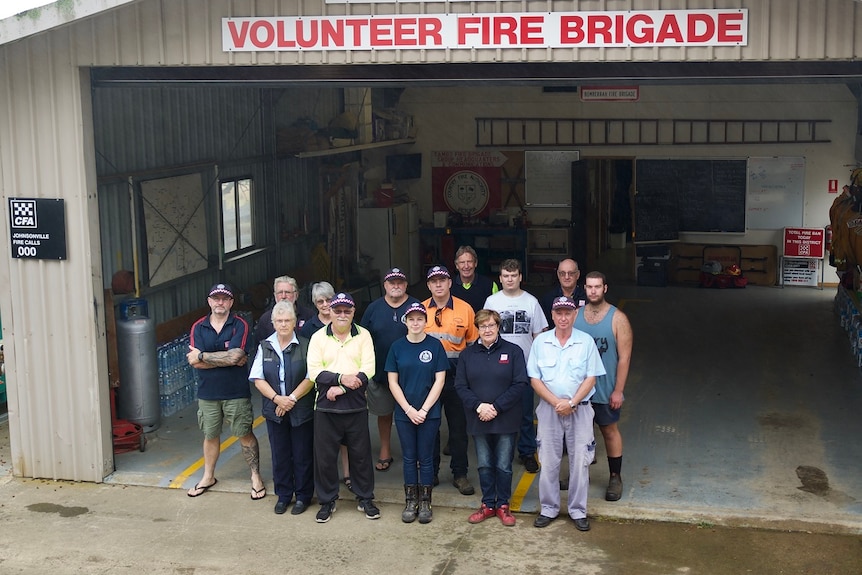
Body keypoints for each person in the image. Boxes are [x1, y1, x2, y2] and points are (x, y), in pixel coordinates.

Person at [527, 296, 605, 532]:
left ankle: (578, 510)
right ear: (552, 315)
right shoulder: (541, 343)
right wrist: (556, 403)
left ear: (574, 315)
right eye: (559, 313)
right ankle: (548, 508)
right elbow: (534, 378)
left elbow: (591, 377)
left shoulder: (586, 342)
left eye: (568, 313)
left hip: (579, 410)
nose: (563, 317)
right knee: (549, 461)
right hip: (549, 410)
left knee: (580, 462)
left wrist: (571, 402)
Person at [186, 283, 266, 501]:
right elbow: (197, 362)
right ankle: (208, 476)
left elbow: (236, 356)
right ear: (209, 301)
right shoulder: (198, 327)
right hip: (208, 393)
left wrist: (204, 356)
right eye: (216, 298)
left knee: (244, 433)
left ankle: (255, 476)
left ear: (231, 302)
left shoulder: (240, 324)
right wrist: (226, 358)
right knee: (210, 435)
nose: (220, 302)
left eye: (225, 299)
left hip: (236, 393)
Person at [307, 292, 380, 523]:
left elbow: (368, 369)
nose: (341, 315)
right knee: (325, 458)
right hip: (326, 408)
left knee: (361, 456)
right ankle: (327, 501)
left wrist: (341, 388)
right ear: (330, 312)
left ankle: (365, 498)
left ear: (353, 313)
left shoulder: (363, 335)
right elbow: (315, 371)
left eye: (346, 311)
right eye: (337, 310)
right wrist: (341, 378)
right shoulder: (318, 337)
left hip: (356, 405)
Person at [455, 309, 528, 527]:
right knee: (485, 465)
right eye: (483, 326)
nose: (487, 329)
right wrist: (479, 407)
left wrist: (496, 407)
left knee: (504, 465)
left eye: (491, 325)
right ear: (477, 329)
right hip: (478, 418)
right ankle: (487, 504)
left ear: (499, 327)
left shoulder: (513, 352)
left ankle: (503, 505)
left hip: (505, 419)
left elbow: (520, 384)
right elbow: (460, 385)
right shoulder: (467, 355)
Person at [249, 300, 315, 515]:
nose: (284, 324)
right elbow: (258, 378)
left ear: (295, 322)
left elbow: (311, 377)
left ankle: (303, 496)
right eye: (279, 321)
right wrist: (278, 399)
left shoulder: (306, 344)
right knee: (280, 454)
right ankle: (284, 495)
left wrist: (291, 399)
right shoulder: (265, 346)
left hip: (300, 409)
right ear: (273, 322)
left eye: (288, 320)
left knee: (302, 454)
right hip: (275, 410)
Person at [385, 301, 449, 524]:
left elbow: (440, 380)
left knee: (427, 457)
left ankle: (425, 502)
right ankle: (410, 501)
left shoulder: (435, 346)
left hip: (428, 413)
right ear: (406, 321)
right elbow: (393, 382)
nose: (415, 323)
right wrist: (409, 409)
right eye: (411, 319)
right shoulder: (397, 347)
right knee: (409, 458)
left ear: (425, 321)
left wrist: (423, 409)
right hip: (404, 413)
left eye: (419, 319)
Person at [483, 259, 548, 474]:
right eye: (505, 276)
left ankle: (527, 452)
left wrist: (540, 366)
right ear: (500, 278)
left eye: (514, 275)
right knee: (496, 410)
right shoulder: (492, 302)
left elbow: (539, 336)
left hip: (525, 368)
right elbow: (483, 333)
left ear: (520, 277)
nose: (510, 279)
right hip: (496, 369)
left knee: (525, 413)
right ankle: (497, 453)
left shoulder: (532, 302)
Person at [574, 271, 634, 502]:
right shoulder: (575, 316)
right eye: (589, 287)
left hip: (605, 389)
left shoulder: (618, 319)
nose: (593, 291)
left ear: (605, 289)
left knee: (609, 431)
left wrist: (618, 390)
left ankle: (615, 476)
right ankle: (580, 475)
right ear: (585, 289)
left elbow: (624, 358)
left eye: (597, 287)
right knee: (578, 435)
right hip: (579, 391)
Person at [422, 265, 479, 495]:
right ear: (428, 285)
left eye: (442, 280)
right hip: (428, 380)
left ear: (449, 283)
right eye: (433, 281)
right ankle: (431, 472)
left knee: (458, 429)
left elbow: (473, 347)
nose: (438, 284)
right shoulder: (420, 310)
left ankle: (460, 474)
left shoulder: (465, 309)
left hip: (456, 380)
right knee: (430, 428)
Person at [360, 268, 420, 473]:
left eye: (400, 282)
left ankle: (415, 452)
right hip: (381, 373)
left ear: (406, 285)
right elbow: (363, 340)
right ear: (384, 285)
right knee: (384, 414)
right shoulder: (373, 308)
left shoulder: (415, 307)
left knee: (412, 414)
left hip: (410, 375)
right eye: (391, 282)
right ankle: (385, 450)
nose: (396, 286)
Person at [254, 275, 314, 345]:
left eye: (287, 292)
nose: (283, 296)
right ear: (275, 295)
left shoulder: (309, 315)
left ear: (296, 295)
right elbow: (259, 347)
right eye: (280, 292)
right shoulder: (265, 319)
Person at [451, 245, 499, 313]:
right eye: (462, 262)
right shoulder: (449, 286)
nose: (466, 266)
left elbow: (496, 313)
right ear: (456, 265)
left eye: (469, 262)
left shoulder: (489, 285)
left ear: (475, 263)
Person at [540, 259, 587, 326]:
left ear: (578, 274)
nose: (566, 277)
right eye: (562, 273)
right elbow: (545, 327)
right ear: (558, 275)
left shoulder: (586, 298)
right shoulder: (548, 299)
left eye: (571, 273)